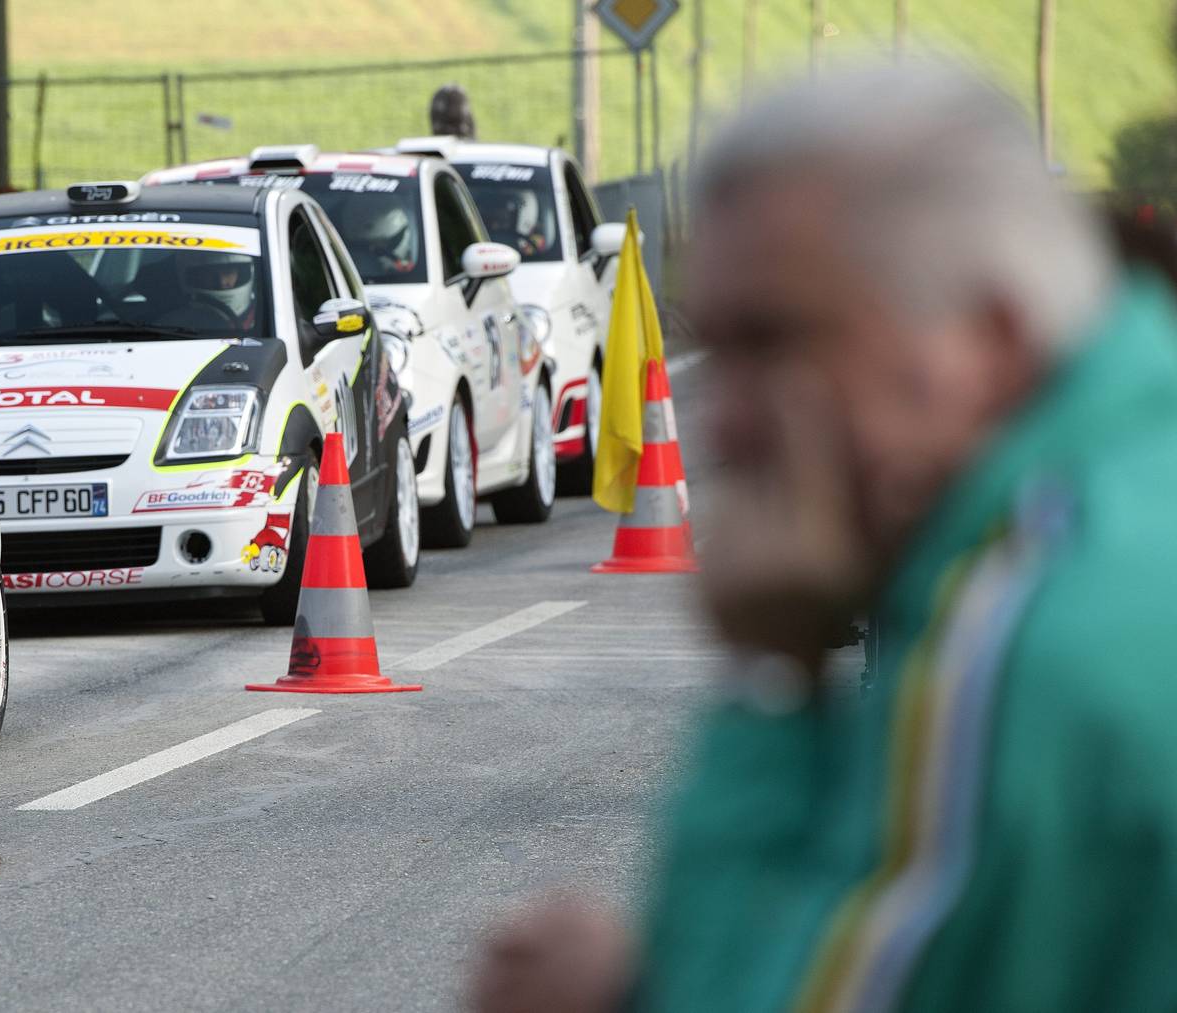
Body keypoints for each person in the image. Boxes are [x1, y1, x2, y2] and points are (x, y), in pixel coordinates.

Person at [471, 62, 1177, 1012]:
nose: (722, 426)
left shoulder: (1021, 641)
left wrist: (775, 679)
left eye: (775, 343)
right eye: (717, 351)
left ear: (989, 338)